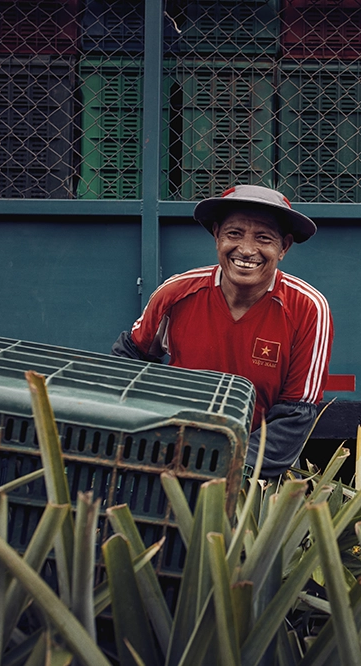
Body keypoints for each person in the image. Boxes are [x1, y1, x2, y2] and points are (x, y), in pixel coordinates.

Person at [112, 184, 333, 479]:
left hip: (251, 473)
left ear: (284, 247)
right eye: (234, 234)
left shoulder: (308, 308)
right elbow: (129, 362)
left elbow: (295, 414)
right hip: (171, 460)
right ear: (216, 235)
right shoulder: (176, 293)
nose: (246, 250)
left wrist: (229, 469)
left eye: (264, 238)